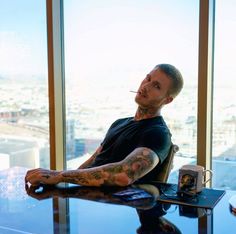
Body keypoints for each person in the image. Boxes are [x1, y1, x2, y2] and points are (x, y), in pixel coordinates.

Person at [25, 63, 183, 187]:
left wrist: (59, 176)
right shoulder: (119, 123)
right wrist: (62, 182)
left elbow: (123, 175)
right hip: (87, 202)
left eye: (156, 86)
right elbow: (93, 160)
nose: (146, 86)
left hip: (116, 214)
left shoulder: (158, 134)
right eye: (147, 78)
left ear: (167, 99)